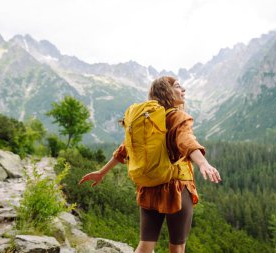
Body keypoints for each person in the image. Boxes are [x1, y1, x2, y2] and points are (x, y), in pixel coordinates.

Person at [79, 76, 222, 253]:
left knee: (145, 245)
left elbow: (125, 149)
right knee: (177, 247)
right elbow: (187, 140)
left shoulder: (148, 120)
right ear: (167, 92)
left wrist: (102, 172)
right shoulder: (177, 116)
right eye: (178, 86)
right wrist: (203, 163)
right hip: (176, 187)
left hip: (149, 188)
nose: (183, 89)